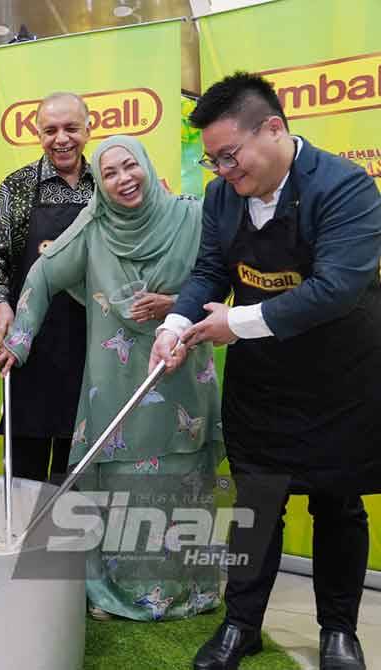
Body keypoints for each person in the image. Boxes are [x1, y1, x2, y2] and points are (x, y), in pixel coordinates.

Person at [151, 72, 381, 670]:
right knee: (256, 503)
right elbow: (207, 271)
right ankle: (241, 625)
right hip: (265, 381)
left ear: (274, 129)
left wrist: (236, 324)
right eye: (214, 160)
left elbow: (337, 288)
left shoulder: (346, 187)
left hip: (341, 375)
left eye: (230, 156)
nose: (224, 172)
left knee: (338, 504)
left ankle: (338, 631)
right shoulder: (222, 195)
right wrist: (174, 327)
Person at [0, 135, 224, 623]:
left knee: (180, 479)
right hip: (116, 378)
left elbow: (222, 277)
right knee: (122, 480)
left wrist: (175, 305)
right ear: (99, 185)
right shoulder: (94, 227)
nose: (124, 179)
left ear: (146, 164)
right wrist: (19, 341)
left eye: (130, 166)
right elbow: (41, 275)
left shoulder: (192, 217)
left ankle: (185, 590)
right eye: (110, 174)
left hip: (180, 370)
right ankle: (119, 590)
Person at [0, 92, 93, 484]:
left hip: (90, 344)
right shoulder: (19, 187)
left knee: (77, 473)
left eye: (71, 128)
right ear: (38, 133)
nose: (61, 139)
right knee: (25, 476)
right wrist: (0, 304)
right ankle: (24, 545)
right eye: (50, 130)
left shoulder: (105, 186)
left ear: (88, 128)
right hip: (28, 342)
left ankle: (72, 546)